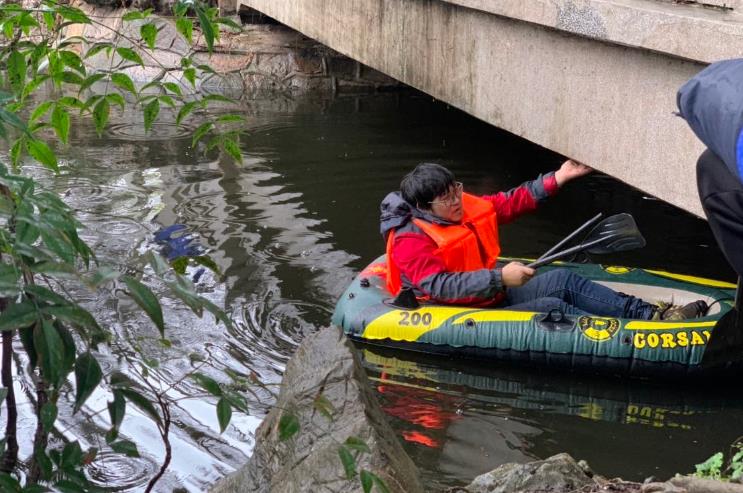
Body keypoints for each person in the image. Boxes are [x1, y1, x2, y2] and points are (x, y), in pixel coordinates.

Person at [379, 161, 708, 320]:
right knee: (551, 307)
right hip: (448, 310)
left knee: (564, 279)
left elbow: (509, 202)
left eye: (457, 191)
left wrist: (558, 178)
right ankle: (631, 333)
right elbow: (439, 286)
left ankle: (652, 316)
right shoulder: (411, 237)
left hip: (489, 293)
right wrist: (499, 276)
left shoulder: (461, 209)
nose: (457, 201)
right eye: (447, 199)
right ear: (424, 207)